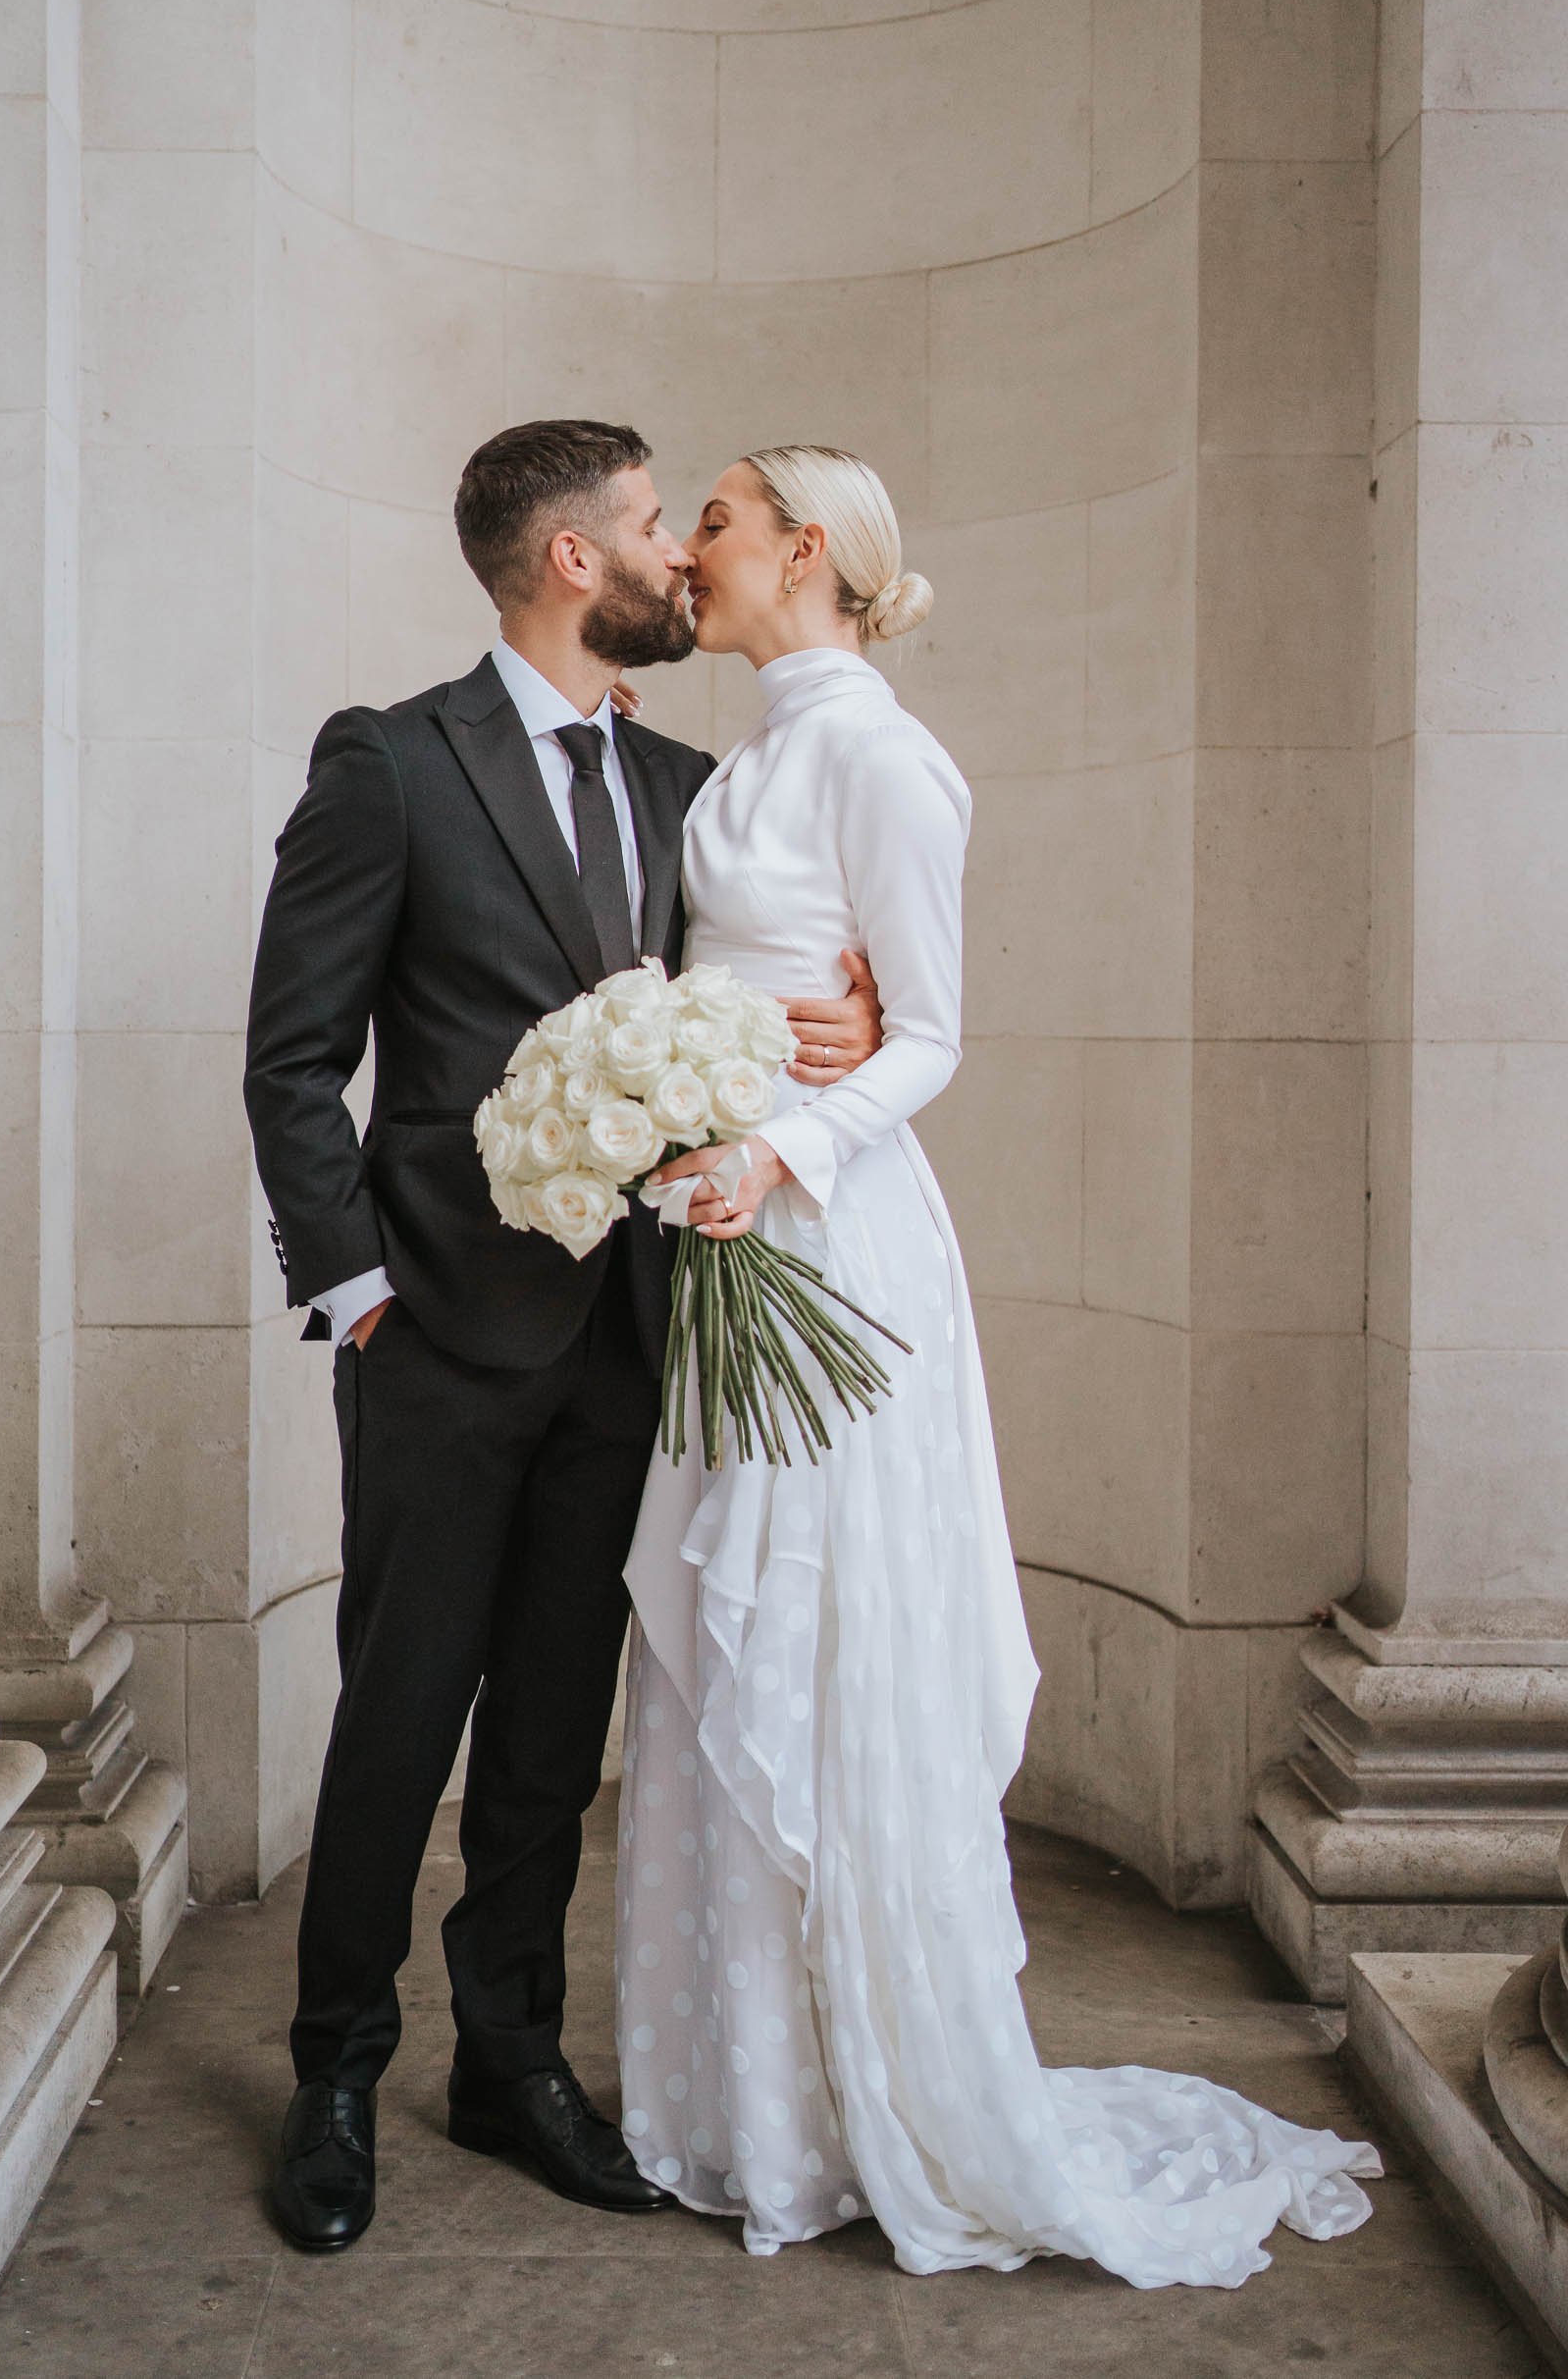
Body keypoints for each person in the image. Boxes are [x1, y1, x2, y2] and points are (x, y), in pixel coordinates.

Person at [616, 445, 1382, 2285]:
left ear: (805, 550)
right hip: (725, 1235)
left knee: (824, 1641)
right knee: (732, 1654)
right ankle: (750, 2101)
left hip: (823, 1239)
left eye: (710, 520)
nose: (687, 552)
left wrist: (774, 1147)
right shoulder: (734, 758)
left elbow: (934, 1034)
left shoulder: (887, 753)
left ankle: (879, 2099)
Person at [242, 420, 883, 2251]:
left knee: (551, 1723)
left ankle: (508, 2056)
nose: (685, 562)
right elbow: (296, 1060)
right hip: (436, 1337)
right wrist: (358, 1296)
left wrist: (843, 1017)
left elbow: (770, 987)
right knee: (401, 1709)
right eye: (647, 531)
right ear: (568, 564)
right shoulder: (390, 763)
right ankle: (339, 2065)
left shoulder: (698, 784)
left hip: (632, 1336)